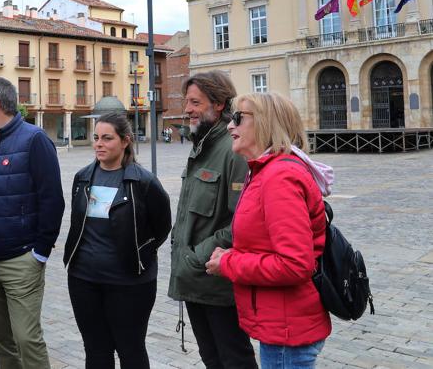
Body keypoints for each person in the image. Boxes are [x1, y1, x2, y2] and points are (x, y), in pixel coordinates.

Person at [205, 92, 332, 368]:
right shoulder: (266, 172)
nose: (229, 126)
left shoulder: (279, 177)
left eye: (238, 118)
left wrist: (229, 261)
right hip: (280, 323)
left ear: (265, 123)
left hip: (288, 330)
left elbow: (294, 264)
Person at [0, 77, 64, 369]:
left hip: (20, 261)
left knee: (26, 338)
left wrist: (40, 253)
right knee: (0, 338)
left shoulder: (35, 140)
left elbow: (52, 201)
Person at [64, 112, 171, 368]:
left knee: (130, 349)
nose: (99, 144)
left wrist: (141, 254)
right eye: (96, 138)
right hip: (84, 280)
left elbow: (162, 227)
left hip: (129, 283)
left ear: (125, 141)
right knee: (96, 350)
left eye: (107, 138)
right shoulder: (82, 177)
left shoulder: (143, 182)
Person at [167, 71, 257, 368]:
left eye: (195, 102)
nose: (187, 108)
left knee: (234, 360)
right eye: (186, 102)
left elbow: (241, 223)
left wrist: (197, 257)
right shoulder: (201, 146)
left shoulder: (233, 151)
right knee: (212, 359)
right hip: (194, 279)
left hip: (217, 282)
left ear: (218, 104)